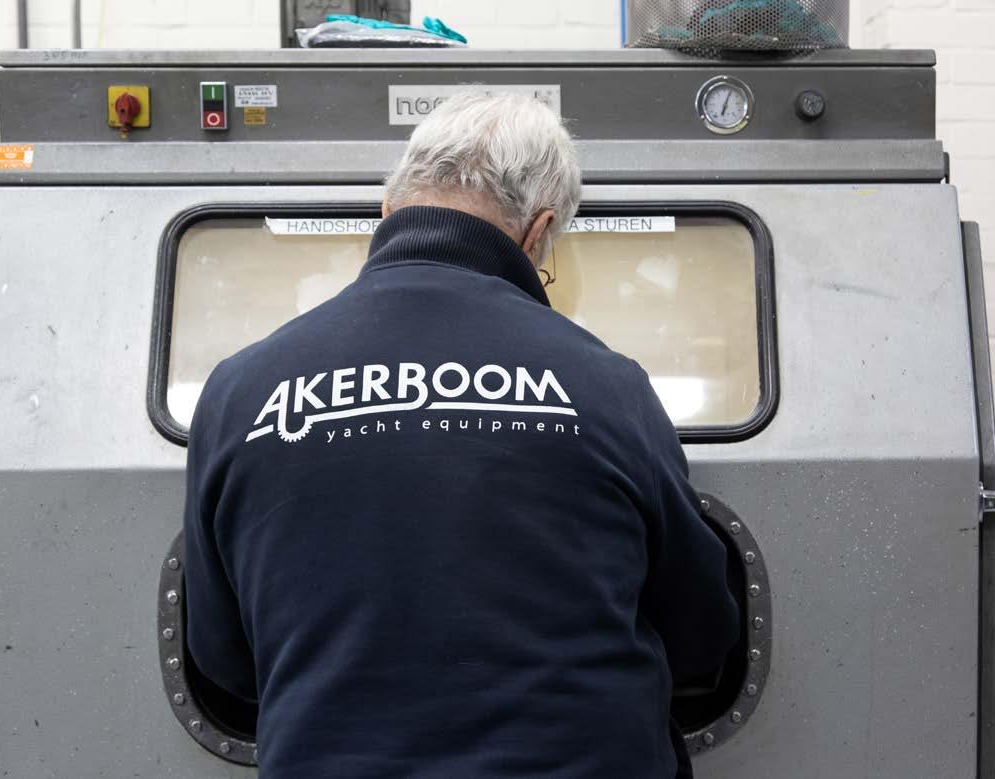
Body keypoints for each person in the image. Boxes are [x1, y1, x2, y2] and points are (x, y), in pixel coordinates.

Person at [184, 92, 740, 778]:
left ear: (389, 209)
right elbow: (701, 631)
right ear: (538, 233)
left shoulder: (240, 391)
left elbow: (223, 657)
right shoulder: (607, 385)